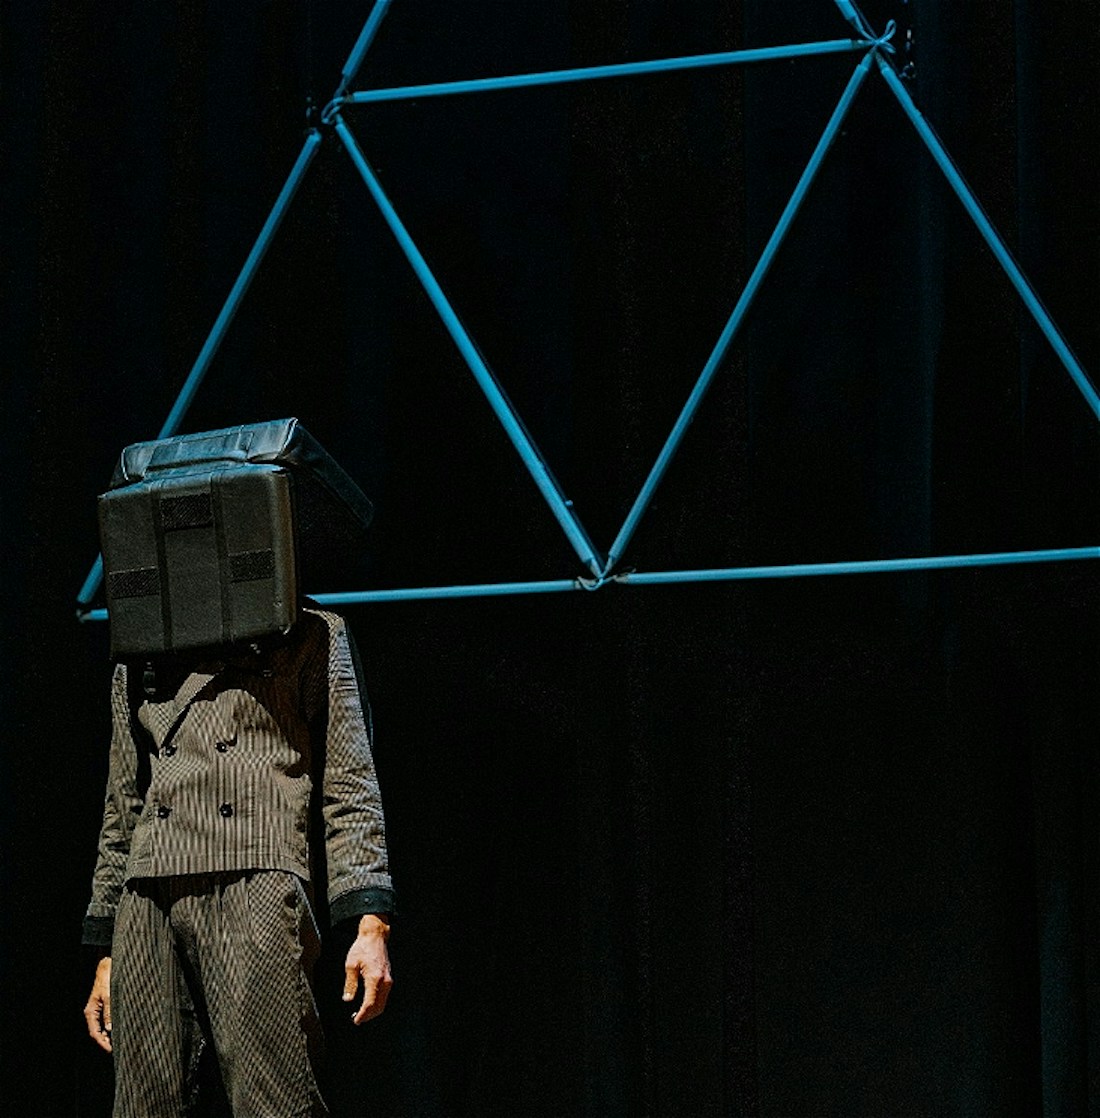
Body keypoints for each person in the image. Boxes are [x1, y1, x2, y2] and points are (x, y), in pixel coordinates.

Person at [82, 603, 394, 1117]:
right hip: (148, 890)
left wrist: (370, 920)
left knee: (275, 1100)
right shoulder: (142, 645)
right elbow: (122, 804)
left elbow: (350, 782)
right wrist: (106, 949)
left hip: (257, 875)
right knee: (141, 1106)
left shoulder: (308, 630)